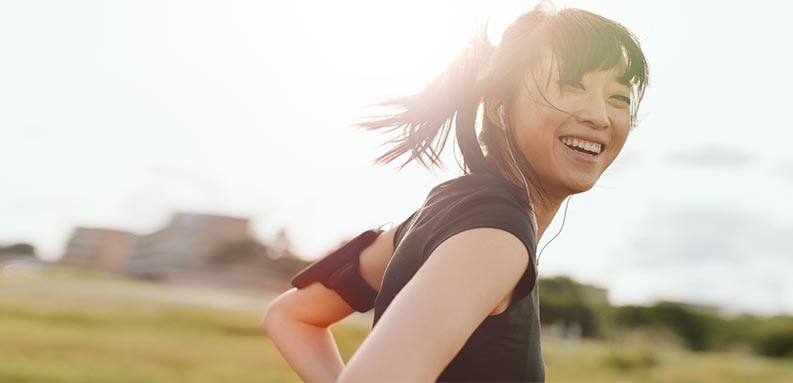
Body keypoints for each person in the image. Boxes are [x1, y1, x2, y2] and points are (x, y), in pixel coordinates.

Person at [261, 3, 649, 382]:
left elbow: (291, 317)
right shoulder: (493, 239)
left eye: (619, 98)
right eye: (571, 85)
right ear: (499, 107)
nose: (599, 116)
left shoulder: (439, 217)